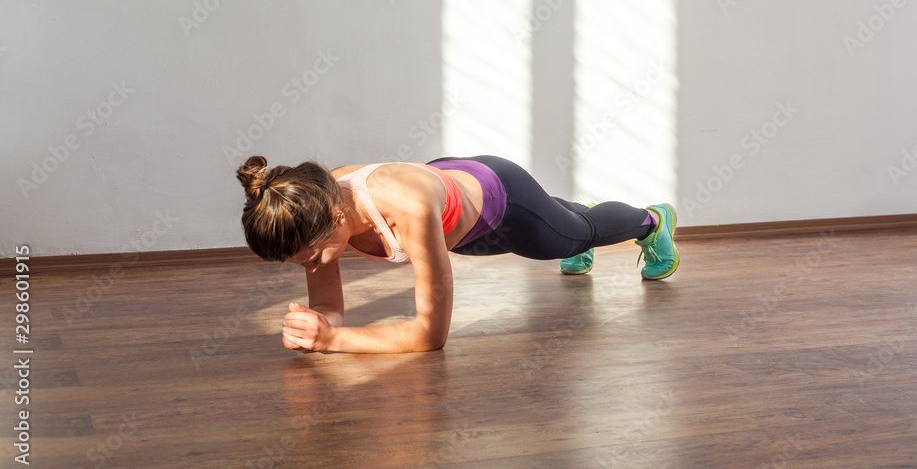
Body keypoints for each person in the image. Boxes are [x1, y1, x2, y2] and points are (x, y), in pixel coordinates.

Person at [236, 154, 679, 354]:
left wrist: (334, 340)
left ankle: (653, 221)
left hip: (501, 201)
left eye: (314, 258)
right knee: (561, 226)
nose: (314, 268)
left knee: (575, 237)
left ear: (335, 218)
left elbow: (431, 337)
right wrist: (316, 325)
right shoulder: (313, 201)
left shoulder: (405, 209)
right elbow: (329, 307)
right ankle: (564, 218)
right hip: (452, 207)